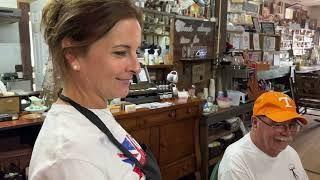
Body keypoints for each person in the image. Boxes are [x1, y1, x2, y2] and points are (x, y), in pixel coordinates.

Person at [29, 0, 160, 179]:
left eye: (135, 51)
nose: (136, 67)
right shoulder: (69, 158)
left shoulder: (95, 111)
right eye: (121, 52)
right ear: (73, 55)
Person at [218, 91, 309, 180]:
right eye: (278, 124)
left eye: (292, 125)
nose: (287, 133)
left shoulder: (290, 153)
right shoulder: (236, 162)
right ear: (255, 123)